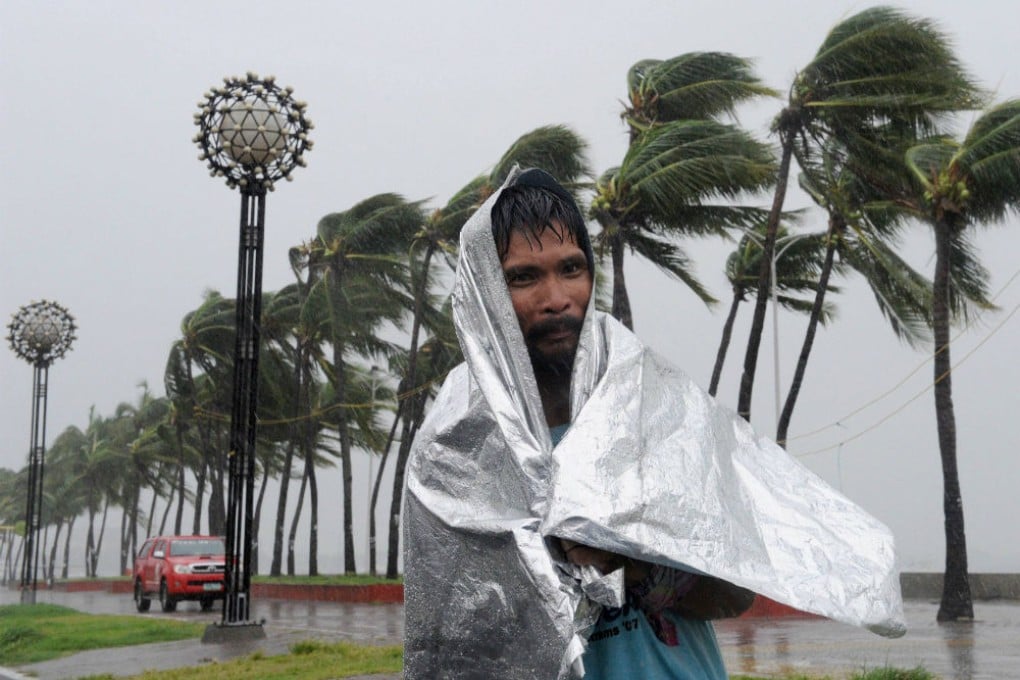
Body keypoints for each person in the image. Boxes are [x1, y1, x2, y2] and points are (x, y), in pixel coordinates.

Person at [404, 168, 904, 679]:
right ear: (485, 292)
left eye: (571, 268)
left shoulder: (654, 411)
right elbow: (448, 651)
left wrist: (630, 566)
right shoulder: (453, 455)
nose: (556, 298)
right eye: (524, 277)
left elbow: (733, 592)